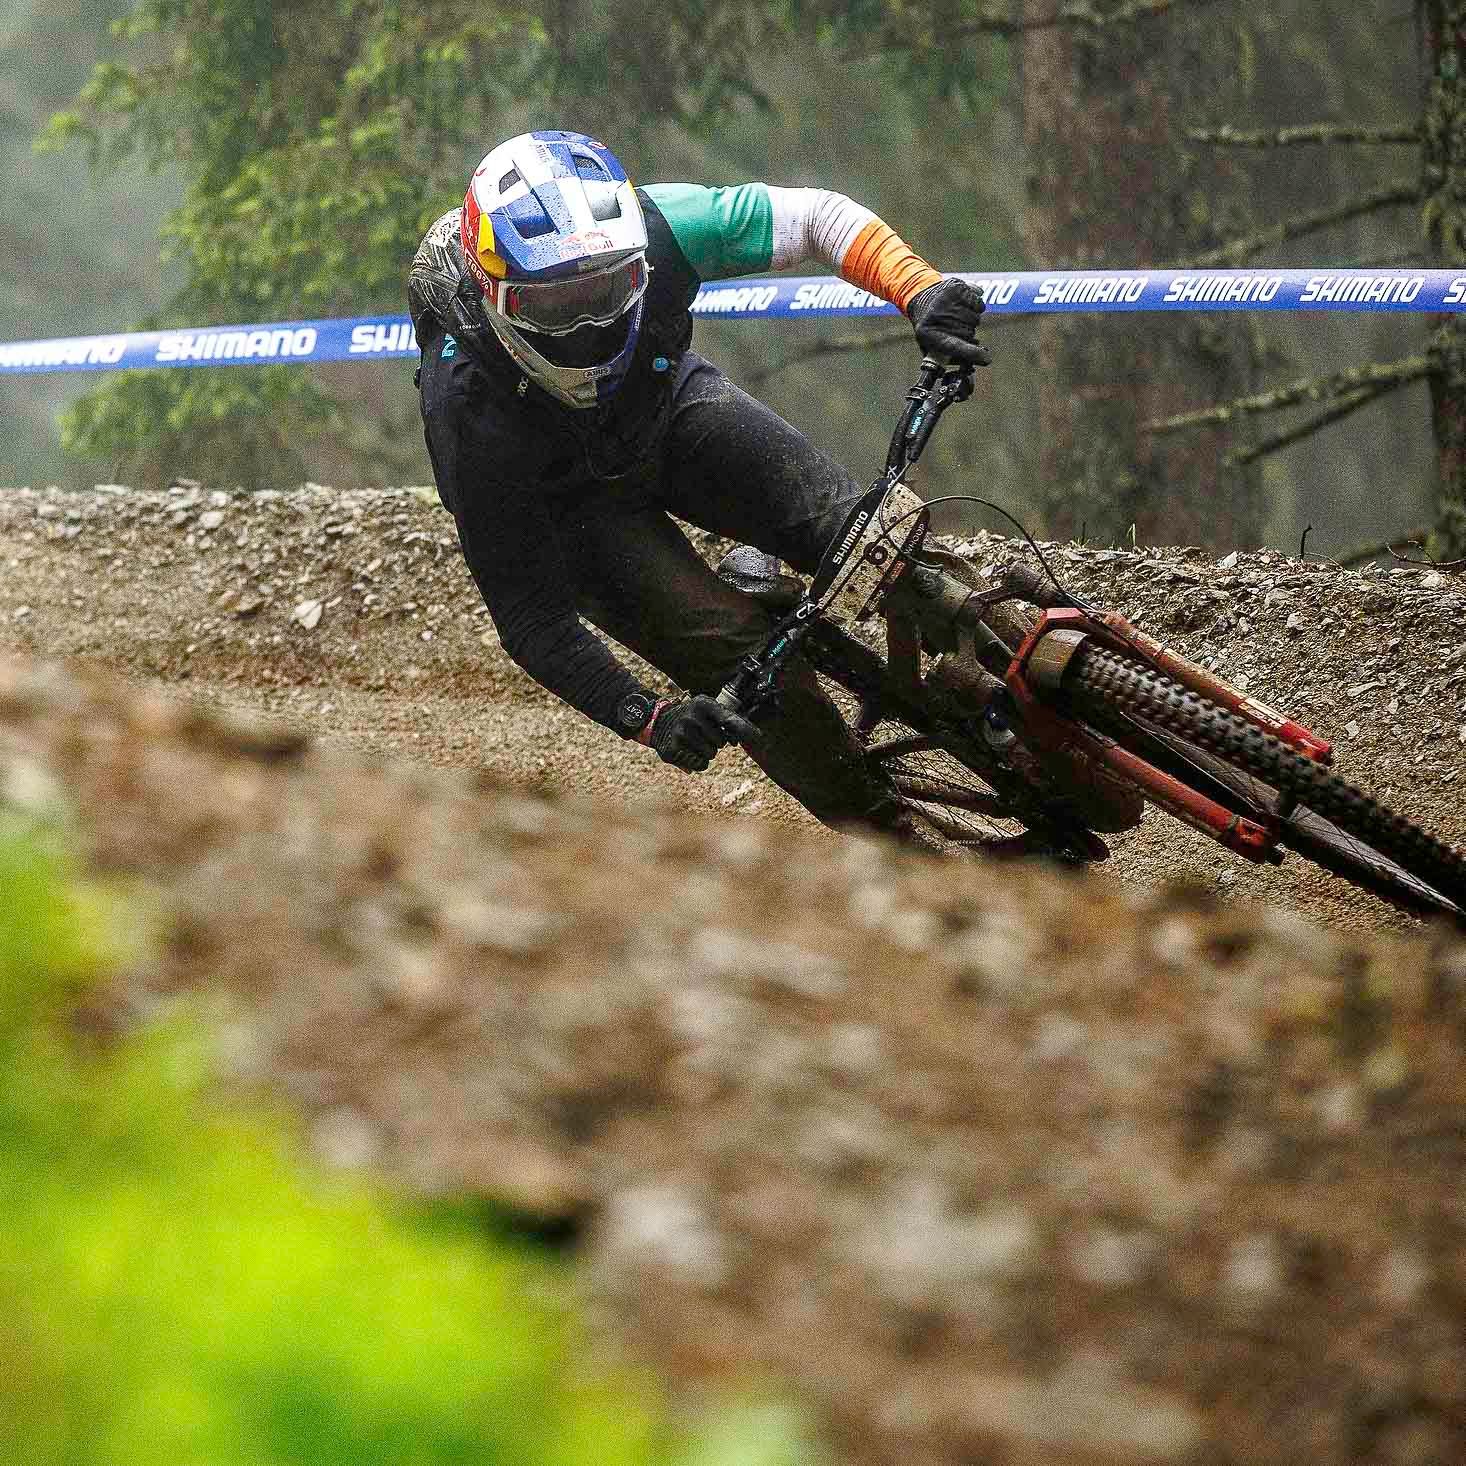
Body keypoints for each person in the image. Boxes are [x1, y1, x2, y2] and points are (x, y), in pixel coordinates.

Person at [408, 129, 988, 842]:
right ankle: (893, 844)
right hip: (573, 511)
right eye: (558, 308)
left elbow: (812, 219)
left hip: (664, 407)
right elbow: (530, 616)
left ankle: (996, 642)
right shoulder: (465, 407)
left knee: (866, 537)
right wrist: (646, 716)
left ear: (638, 262)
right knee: (754, 676)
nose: (592, 323)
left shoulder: (658, 228)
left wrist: (919, 290)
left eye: (611, 290)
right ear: (499, 299)